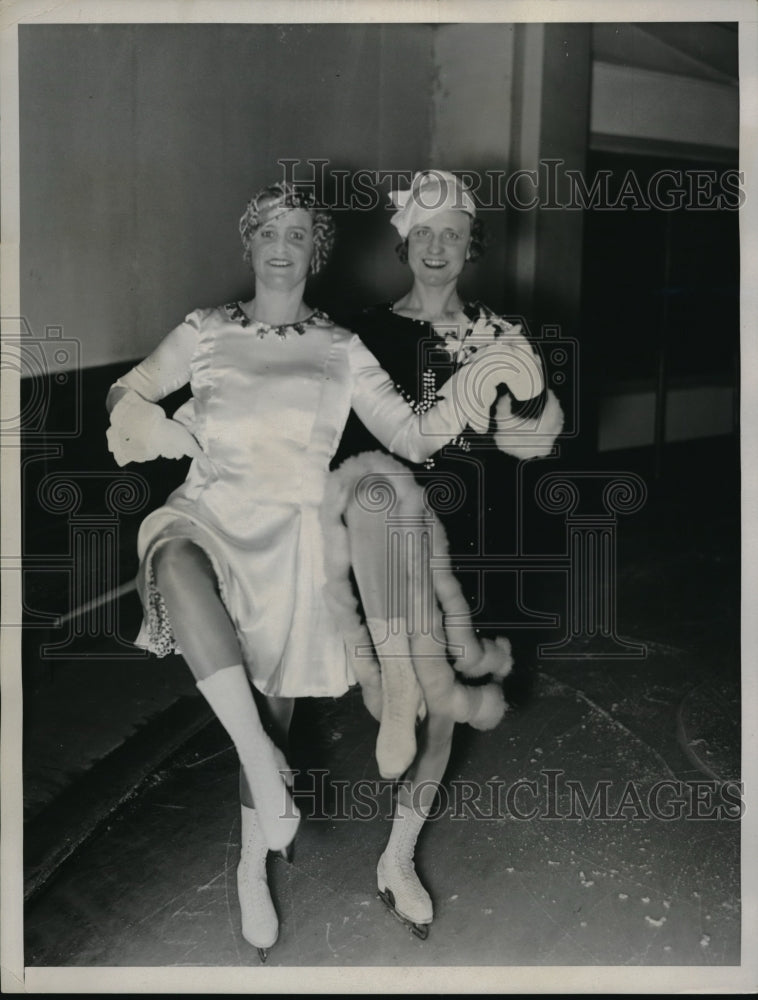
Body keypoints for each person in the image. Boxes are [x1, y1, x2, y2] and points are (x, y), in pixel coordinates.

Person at [105, 180, 523, 961]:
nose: (281, 243)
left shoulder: (342, 344)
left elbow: (415, 432)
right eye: (268, 228)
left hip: (310, 542)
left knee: (306, 712)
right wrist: (163, 428)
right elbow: (132, 394)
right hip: (217, 516)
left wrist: (478, 387)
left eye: (298, 232)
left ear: (316, 249)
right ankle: (252, 855)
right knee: (167, 555)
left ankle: (375, 854)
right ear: (249, 241)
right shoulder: (206, 327)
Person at [326, 170, 564, 938]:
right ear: (403, 243)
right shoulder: (359, 332)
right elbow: (344, 447)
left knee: (441, 713)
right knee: (413, 692)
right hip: (391, 536)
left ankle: (397, 856)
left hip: (475, 532)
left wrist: (520, 383)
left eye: (451, 233)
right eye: (422, 234)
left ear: (471, 244)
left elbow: (528, 443)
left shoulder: (503, 330)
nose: (436, 247)